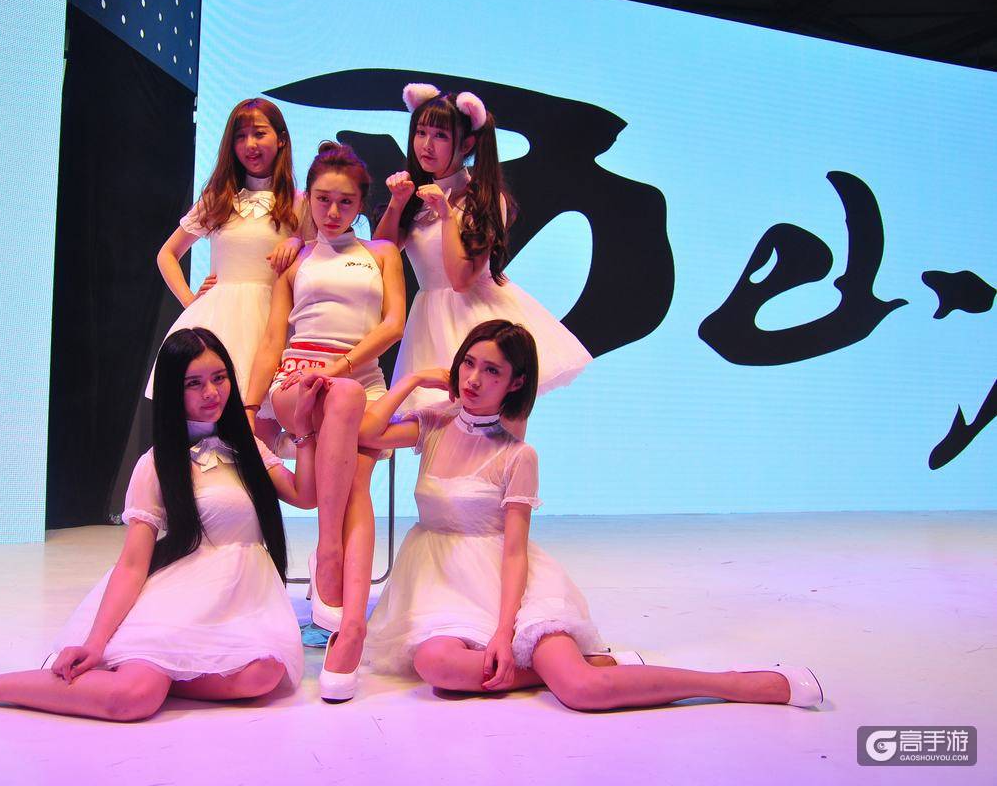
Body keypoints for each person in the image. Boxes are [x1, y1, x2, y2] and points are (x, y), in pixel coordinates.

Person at [359, 320, 823, 710]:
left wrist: (504, 632)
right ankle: (590, 662)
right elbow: (368, 433)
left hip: (505, 584)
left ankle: (744, 684)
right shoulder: (436, 423)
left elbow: (515, 552)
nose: (473, 379)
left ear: (516, 383)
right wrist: (410, 382)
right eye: (468, 363)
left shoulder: (518, 455)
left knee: (581, 690)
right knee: (439, 667)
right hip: (439, 584)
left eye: (492, 370)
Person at [0, 328, 323, 720]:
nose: (211, 392)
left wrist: (303, 431)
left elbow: (306, 495)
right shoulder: (157, 465)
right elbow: (133, 562)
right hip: (180, 597)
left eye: (219, 377)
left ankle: (147, 672)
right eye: (193, 383)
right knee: (133, 699)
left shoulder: (248, 449)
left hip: (240, 602)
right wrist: (96, 641)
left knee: (262, 676)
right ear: (172, 392)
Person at [244, 141, 404, 702]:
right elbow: (273, 339)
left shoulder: (382, 253)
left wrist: (341, 366)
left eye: (346, 202)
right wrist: (250, 406)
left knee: (355, 471)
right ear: (307, 199)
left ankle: (349, 627)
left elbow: (393, 324)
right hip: (298, 383)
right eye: (322, 199)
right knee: (339, 400)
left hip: (359, 381)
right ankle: (328, 557)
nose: (333, 211)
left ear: (361, 204)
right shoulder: (294, 259)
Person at [373, 84, 592, 415]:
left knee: (481, 422)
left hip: (476, 319)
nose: (426, 145)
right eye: (420, 132)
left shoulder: (484, 199)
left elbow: (461, 279)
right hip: (428, 319)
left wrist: (446, 215)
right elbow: (380, 255)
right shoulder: (417, 194)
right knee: (431, 424)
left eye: (440, 135)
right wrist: (397, 203)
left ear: (467, 144)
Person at [147, 98, 305, 428]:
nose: (250, 144)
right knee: (212, 423)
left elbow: (319, 259)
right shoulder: (218, 199)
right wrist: (190, 302)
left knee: (264, 427)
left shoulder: (298, 202)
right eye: (240, 136)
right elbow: (167, 254)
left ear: (281, 139)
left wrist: (297, 242)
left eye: (259, 133)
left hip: (274, 322)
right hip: (221, 322)